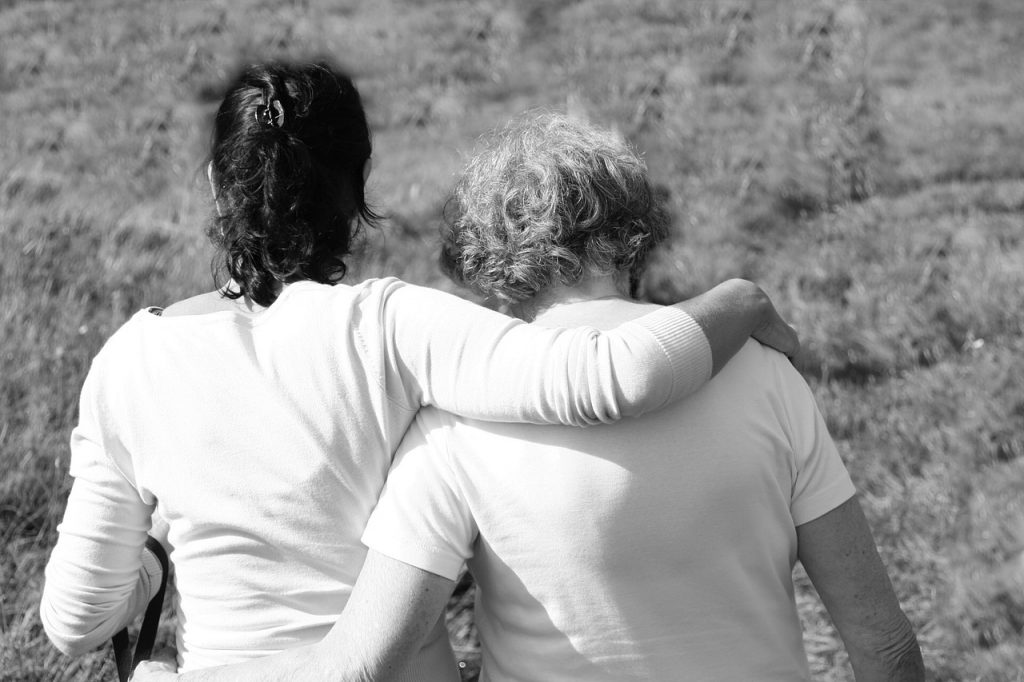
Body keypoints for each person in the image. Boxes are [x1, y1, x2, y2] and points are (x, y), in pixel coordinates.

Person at [40, 63, 798, 675]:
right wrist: (742, 298)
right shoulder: (393, 325)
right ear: (359, 185)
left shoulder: (130, 358)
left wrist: (150, 564)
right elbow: (619, 376)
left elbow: (74, 624)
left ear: (213, 183)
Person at [146, 112, 926, 682]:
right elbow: (884, 647)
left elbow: (358, 668)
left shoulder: (453, 421)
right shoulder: (764, 374)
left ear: (488, 262)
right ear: (633, 233)